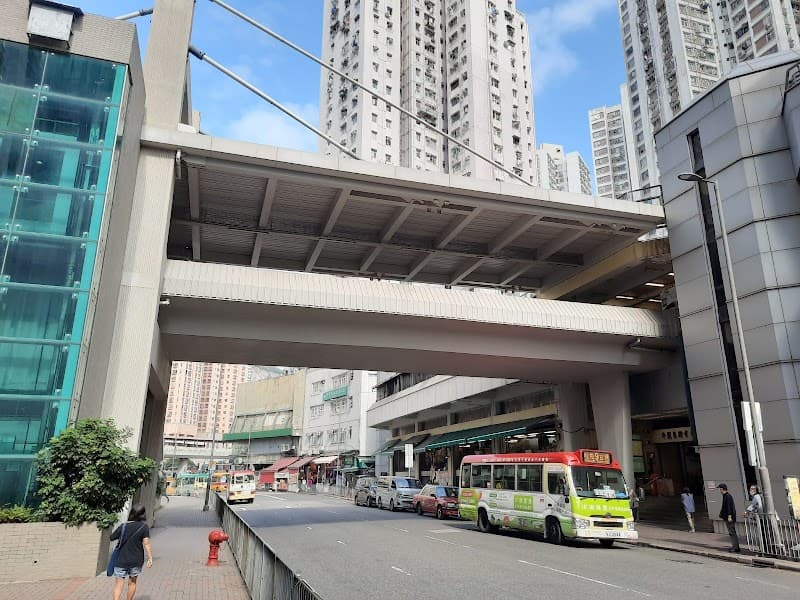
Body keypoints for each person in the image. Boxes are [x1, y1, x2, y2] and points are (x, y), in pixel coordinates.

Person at [110, 503, 153, 600]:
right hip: (136, 560)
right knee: (132, 582)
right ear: (143, 514)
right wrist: (150, 558)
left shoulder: (123, 526)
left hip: (121, 560)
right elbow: (146, 544)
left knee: (118, 585)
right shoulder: (144, 527)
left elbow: (112, 537)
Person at [718, 483, 740, 552]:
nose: (719, 491)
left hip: (729, 518)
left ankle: (735, 548)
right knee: (732, 532)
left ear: (722, 489)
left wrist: (729, 516)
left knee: (732, 532)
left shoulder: (727, 496)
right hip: (728, 517)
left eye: (720, 489)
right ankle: (735, 547)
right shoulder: (726, 496)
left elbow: (729, 507)